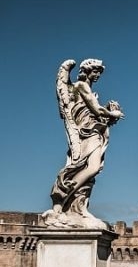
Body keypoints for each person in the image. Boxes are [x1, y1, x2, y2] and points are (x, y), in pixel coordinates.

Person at [48, 59, 124, 226]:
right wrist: (114, 114)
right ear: (87, 71)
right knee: (92, 167)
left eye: (99, 72)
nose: (97, 75)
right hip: (86, 132)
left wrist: (107, 116)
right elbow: (96, 109)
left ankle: (78, 207)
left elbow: (95, 113)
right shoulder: (81, 86)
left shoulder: (82, 89)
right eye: (95, 71)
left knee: (89, 170)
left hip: (93, 131)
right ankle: (62, 198)